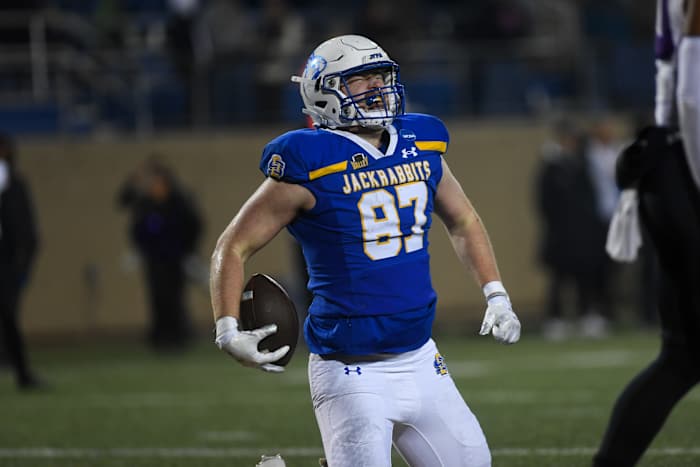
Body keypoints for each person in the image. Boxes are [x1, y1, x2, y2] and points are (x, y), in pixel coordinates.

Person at [210, 35, 521, 467]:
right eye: (360, 80)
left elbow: (463, 220)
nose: (377, 88)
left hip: (422, 359)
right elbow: (234, 244)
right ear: (323, 92)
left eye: (380, 76)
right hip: (351, 370)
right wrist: (227, 328)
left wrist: (496, 294)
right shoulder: (309, 160)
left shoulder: (421, 140)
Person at [594, 1, 700, 466]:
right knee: (682, 357)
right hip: (687, 167)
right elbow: (693, 90)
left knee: (683, 357)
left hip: (671, 161)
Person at [534, 118, 613, 340]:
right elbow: (543, 201)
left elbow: (592, 198)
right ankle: (555, 320)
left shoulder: (584, 164)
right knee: (558, 279)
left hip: (584, 233)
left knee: (585, 276)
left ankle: (588, 315)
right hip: (560, 233)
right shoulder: (551, 166)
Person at [118, 157, 202, 351]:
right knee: (157, 298)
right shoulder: (145, 203)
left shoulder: (179, 201)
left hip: (175, 258)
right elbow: (123, 201)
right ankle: (160, 337)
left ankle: (178, 336)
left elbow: (194, 226)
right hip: (154, 259)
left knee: (175, 298)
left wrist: (189, 251)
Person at [0, 132, 42, 390]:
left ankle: (21, 371)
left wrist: (22, 263)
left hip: (5, 259)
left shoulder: (12, 183)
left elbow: (24, 229)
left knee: (8, 315)